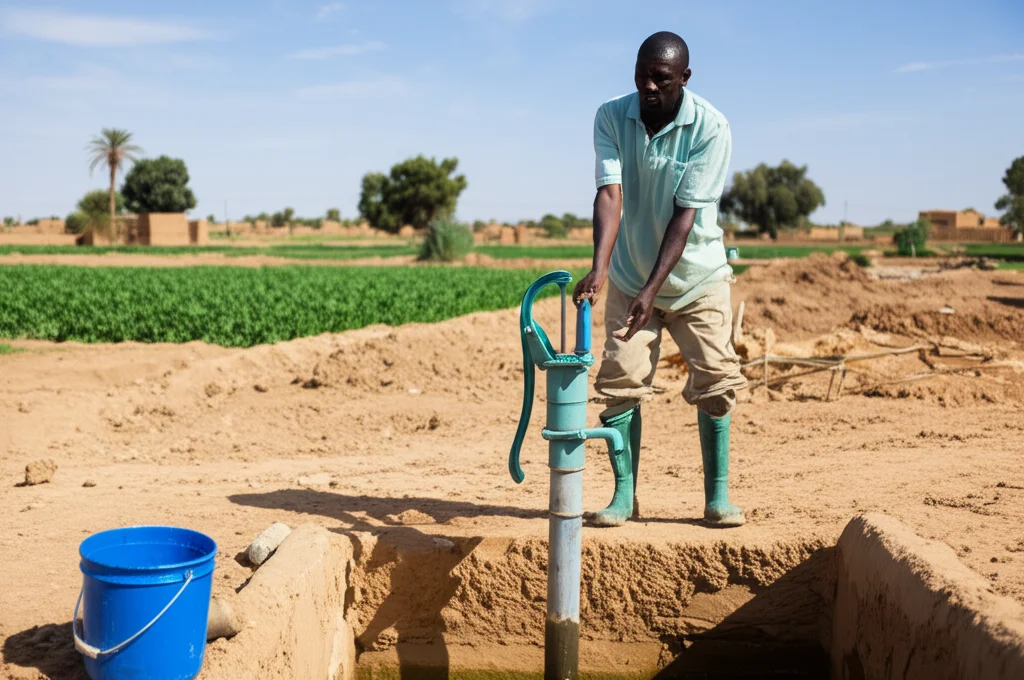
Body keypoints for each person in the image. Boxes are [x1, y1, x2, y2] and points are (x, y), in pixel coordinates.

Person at [573, 31, 747, 528]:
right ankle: (624, 497)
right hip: (629, 274)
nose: (648, 86)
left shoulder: (711, 128)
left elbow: (684, 215)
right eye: (641, 76)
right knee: (620, 383)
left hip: (698, 279)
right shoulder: (611, 115)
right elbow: (610, 194)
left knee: (716, 381)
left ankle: (717, 497)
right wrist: (602, 267)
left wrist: (653, 291)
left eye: (661, 78)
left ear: (684, 79)